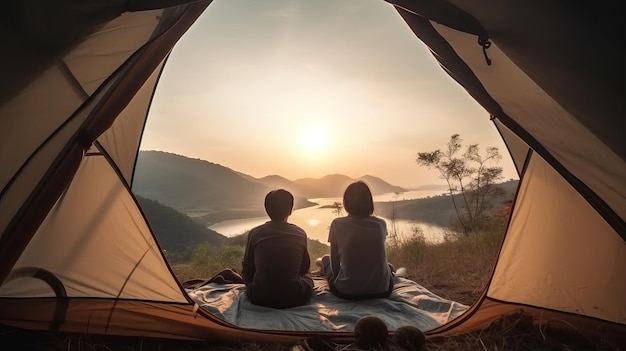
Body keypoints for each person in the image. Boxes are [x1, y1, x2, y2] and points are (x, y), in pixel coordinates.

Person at [320, 181, 394, 300]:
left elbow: (334, 261)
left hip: (347, 292)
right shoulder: (381, 224)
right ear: (369, 202)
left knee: (325, 259)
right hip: (382, 290)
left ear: (346, 203)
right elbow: (376, 252)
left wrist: (339, 278)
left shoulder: (337, 224)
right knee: (388, 266)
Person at [241, 189, 314, 308]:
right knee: (307, 278)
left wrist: (254, 283)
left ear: (267, 209)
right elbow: (304, 268)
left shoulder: (255, 233)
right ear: (290, 210)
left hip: (259, 296)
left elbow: (248, 268)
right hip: (296, 297)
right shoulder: (299, 233)